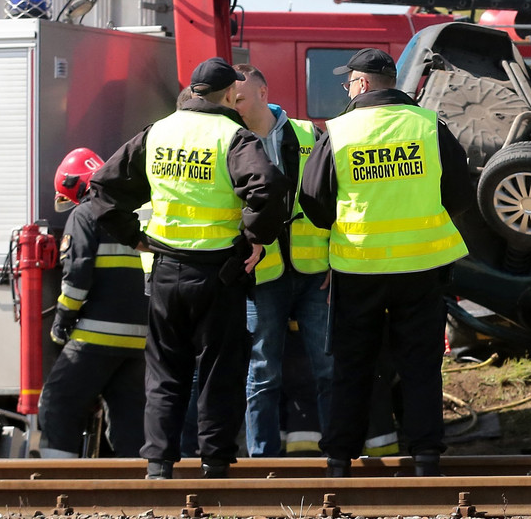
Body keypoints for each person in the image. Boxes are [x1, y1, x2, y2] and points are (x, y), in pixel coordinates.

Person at [90, 57, 290, 479]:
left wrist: (134, 236)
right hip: (218, 272)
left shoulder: (158, 131)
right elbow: (268, 187)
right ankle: (215, 463)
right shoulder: (233, 136)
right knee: (218, 369)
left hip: (165, 269)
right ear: (230, 94)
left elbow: (104, 187)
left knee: (165, 372)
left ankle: (159, 464)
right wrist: (256, 238)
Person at [299, 47, 473, 478]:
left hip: (359, 267)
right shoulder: (429, 126)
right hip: (423, 266)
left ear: (359, 84)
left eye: (348, 83)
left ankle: (340, 459)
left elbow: (313, 200)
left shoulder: (339, 131)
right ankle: (426, 457)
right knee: (420, 364)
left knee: (352, 365)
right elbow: (460, 195)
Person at [231, 63, 333, 457]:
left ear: (263, 92)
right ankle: (262, 457)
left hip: (314, 273)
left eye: (239, 98)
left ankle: (337, 453)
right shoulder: (232, 140)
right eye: (229, 100)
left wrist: (335, 263)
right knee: (262, 371)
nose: (234, 105)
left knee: (327, 368)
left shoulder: (310, 133)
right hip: (264, 275)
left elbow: (337, 201)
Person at [38, 148, 147, 458]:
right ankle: (136, 488)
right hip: (139, 339)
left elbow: (77, 276)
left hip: (96, 336)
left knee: (58, 401)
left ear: (75, 185)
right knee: (130, 418)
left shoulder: (85, 214)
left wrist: (61, 323)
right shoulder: (130, 212)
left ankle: (59, 485)